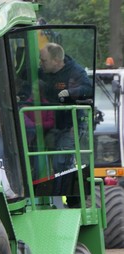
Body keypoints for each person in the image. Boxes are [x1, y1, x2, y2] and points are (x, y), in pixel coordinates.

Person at [38, 43, 92, 200]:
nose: (41, 63)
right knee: (43, 160)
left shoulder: (75, 71)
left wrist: (70, 92)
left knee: (61, 162)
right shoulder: (43, 72)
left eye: (44, 60)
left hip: (71, 125)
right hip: (50, 125)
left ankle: (66, 198)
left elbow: (88, 89)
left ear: (56, 60)